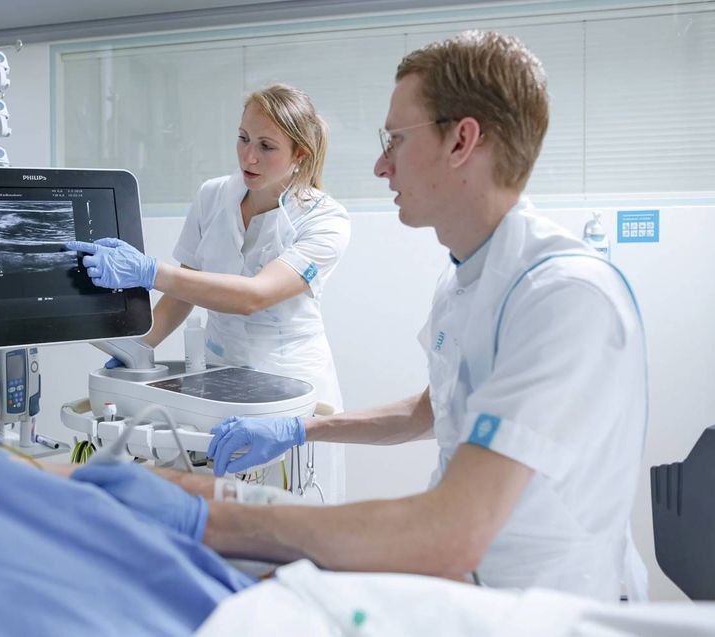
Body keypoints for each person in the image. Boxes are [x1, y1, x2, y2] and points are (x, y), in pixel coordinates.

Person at [72, 30, 649, 602]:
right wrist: (300, 427)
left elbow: (450, 535)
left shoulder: (562, 296)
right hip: (467, 586)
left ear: (461, 142)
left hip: (545, 601)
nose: (379, 165)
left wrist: (209, 516)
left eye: (395, 139)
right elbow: (433, 408)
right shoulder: (464, 280)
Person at [68, 84, 351, 502]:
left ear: (300, 155)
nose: (248, 156)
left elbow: (253, 296)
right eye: (243, 139)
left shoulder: (326, 221)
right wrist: (137, 348)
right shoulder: (214, 195)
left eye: (267, 146)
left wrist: (148, 271)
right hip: (216, 379)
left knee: (289, 511)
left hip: (289, 384)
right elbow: (185, 290)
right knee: (214, 508)